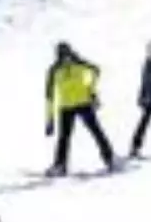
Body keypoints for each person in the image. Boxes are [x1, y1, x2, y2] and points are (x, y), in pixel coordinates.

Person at [45, 42, 116, 175]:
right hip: (66, 107)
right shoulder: (54, 70)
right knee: (64, 138)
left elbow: (96, 71)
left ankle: (110, 158)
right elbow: (49, 96)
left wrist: (91, 91)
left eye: (67, 54)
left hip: (83, 103)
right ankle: (60, 165)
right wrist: (50, 119)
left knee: (96, 132)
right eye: (62, 56)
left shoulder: (80, 63)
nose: (66, 58)